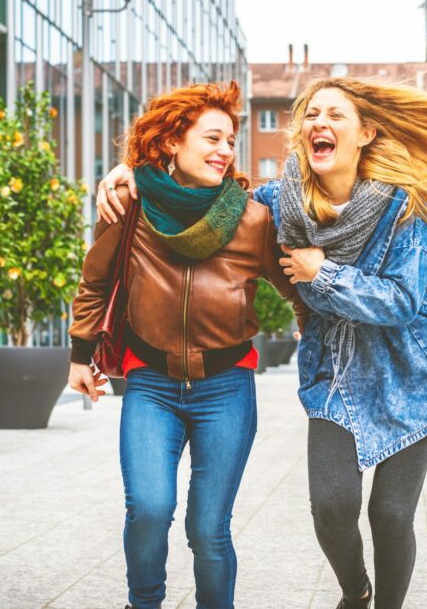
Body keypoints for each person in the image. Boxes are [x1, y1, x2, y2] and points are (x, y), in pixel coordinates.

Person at [97, 76, 427, 608]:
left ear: (367, 132)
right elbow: (211, 199)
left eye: (334, 115)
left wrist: (322, 273)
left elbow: (400, 302)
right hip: (335, 374)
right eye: (310, 115)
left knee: (390, 513)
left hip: (412, 373)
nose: (317, 124)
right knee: (331, 506)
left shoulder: (407, 208)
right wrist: (136, 176)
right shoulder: (282, 202)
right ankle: (356, 591)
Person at [68, 81, 307, 609]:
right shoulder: (131, 204)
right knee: (149, 509)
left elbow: (297, 284)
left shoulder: (251, 219)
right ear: (173, 141)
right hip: (150, 383)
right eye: (213, 138)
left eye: (230, 142)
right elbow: (95, 280)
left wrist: (311, 324)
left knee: (208, 529)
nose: (225, 150)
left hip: (226, 388)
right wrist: (79, 358)